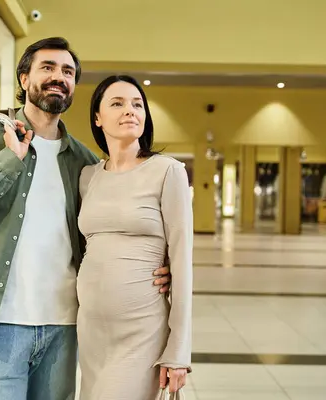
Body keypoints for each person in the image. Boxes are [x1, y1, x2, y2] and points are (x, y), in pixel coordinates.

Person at [0, 37, 171, 400]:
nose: (58, 77)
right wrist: (8, 161)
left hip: (66, 325)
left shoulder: (85, 161)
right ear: (24, 78)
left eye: (68, 71)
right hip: (2, 325)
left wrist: (159, 266)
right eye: (47, 67)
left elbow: (111, 233)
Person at [76, 75, 193, 399]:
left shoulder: (168, 171)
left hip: (141, 331)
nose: (130, 110)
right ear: (97, 118)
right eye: (117, 103)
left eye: (137, 104)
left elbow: (182, 262)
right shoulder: (88, 177)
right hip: (92, 331)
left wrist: (178, 350)